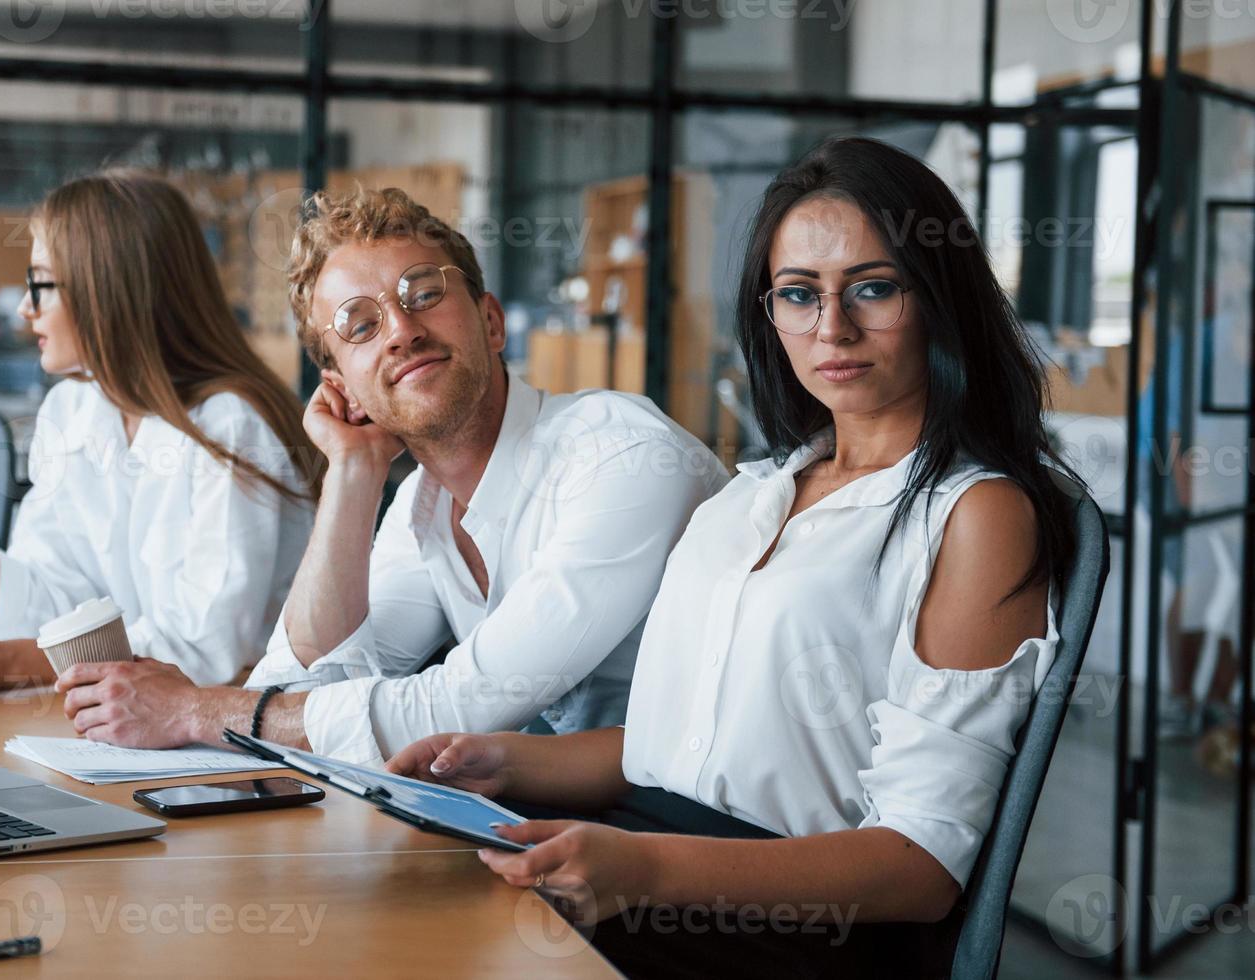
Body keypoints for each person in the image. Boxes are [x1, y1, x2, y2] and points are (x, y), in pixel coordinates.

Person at [387, 137, 1082, 977]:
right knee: (392, 884)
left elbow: (921, 866)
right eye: (798, 294)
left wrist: (643, 869)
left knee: (440, 946)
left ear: (939, 297)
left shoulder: (975, 512)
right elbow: (667, 752)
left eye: (872, 287)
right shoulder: (751, 496)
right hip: (654, 850)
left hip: (796, 927)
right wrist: (499, 758)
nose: (832, 326)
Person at [50, 185, 725, 759]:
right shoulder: (423, 510)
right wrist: (352, 469)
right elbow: (303, 681)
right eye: (359, 325)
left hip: (715, 839)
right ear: (339, 385)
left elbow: (466, 703)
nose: (401, 329)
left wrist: (198, 711)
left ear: (490, 322)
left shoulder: (617, 455)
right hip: (574, 829)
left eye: (424, 293)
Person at [0, 169, 319, 696]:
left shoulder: (230, 426)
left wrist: (13, 662)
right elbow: (47, 610)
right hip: (125, 724)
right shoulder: (73, 409)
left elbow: (205, 647)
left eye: (41, 286)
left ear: (110, 290)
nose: (26, 309)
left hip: (235, 737)